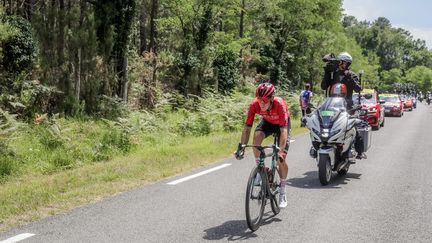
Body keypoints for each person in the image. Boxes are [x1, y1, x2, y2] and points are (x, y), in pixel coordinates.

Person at [234, 82, 291, 208]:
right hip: (268, 122)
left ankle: (282, 190)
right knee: (256, 139)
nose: (261, 103)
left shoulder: (279, 104)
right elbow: (247, 128)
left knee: (281, 159)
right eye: (259, 99)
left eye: (264, 100)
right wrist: (241, 147)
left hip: (282, 125)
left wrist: (281, 151)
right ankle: (261, 170)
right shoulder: (254, 105)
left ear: (271, 98)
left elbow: (283, 131)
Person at [320, 51, 366, 159]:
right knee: (325, 125)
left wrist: (349, 76)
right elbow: (323, 87)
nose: (341, 64)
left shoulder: (352, 75)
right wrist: (327, 72)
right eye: (340, 62)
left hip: (347, 106)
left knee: (353, 127)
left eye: (343, 62)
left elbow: (358, 88)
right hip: (332, 105)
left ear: (347, 64)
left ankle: (359, 151)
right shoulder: (333, 74)